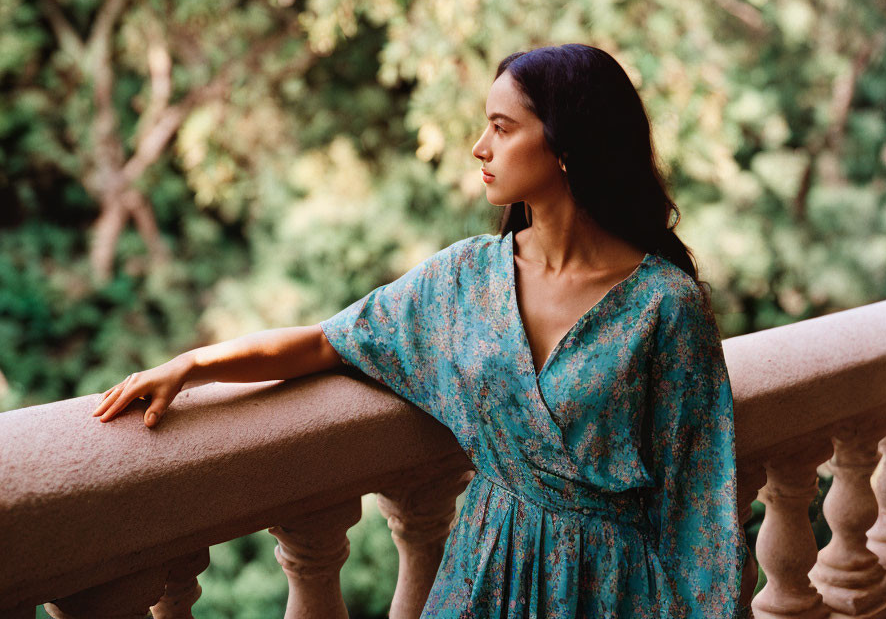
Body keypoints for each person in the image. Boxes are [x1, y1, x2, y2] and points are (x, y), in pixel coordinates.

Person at [92, 43, 752, 618]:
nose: (479, 147)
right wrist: (194, 366)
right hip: (487, 567)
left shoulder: (665, 306)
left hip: (615, 590)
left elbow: (700, 502)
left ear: (565, 144)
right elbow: (330, 341)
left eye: (502, 127)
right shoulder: (465, 279)